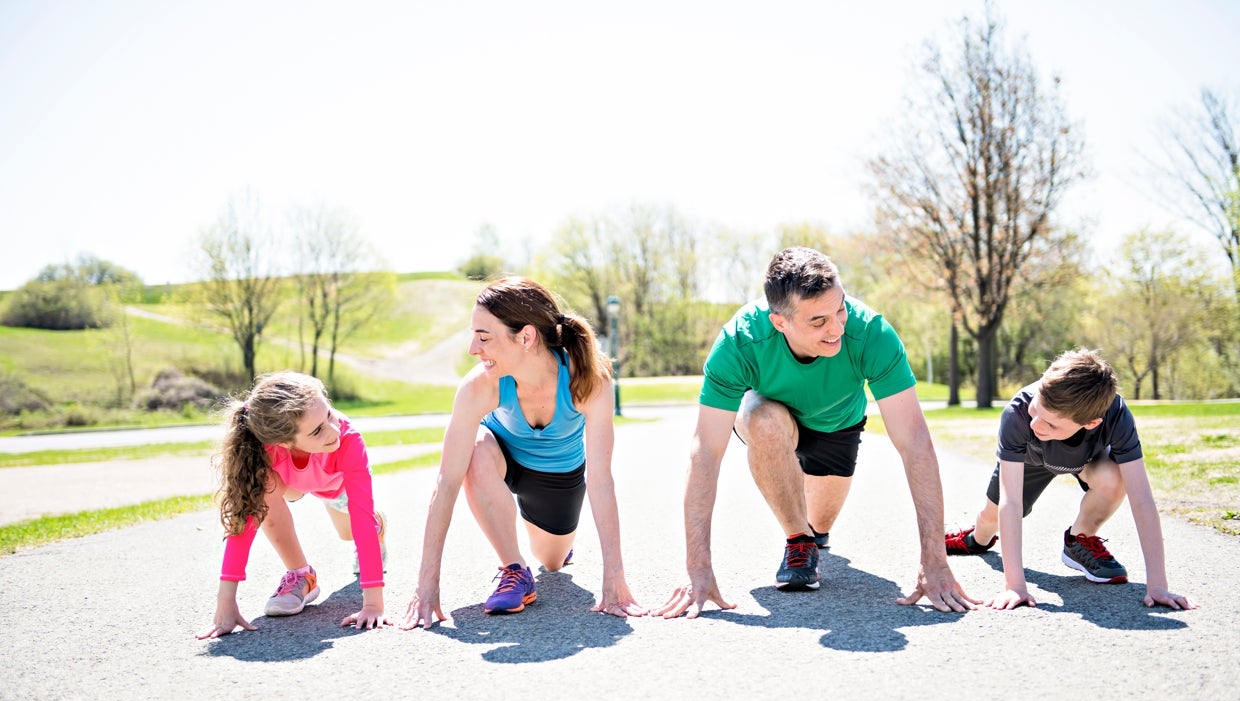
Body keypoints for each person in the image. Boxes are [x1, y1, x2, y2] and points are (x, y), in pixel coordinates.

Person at [653, 246, 976, 619]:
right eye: (818, 321)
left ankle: (812, 534)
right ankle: (798, 538)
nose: (837, 327)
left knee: (819, 528)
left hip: (837, 426)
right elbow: (705, 450)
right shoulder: (740, 341)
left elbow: (914, 441)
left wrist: (934, 560)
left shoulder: (870, 332)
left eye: (840, 309)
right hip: (773, 419)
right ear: (780, 322)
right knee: (763, 420)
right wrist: (697, 568)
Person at [401, 276, 646, 628]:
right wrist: (426, 587)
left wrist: (615, 577)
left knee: (552, 562)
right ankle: (515, 569)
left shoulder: (589, 380)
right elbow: (447, 481)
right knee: (475, 450)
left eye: (483, 337)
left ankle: (554, 548)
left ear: (526, 336)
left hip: (557, 474)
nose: (473, 348)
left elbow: (601, 478)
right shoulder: (478, 387)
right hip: (498, 458)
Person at [944, 348, 1198, 610]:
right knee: (991, 517)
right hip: (1031, 460)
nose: (1036, 425)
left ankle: (1079, 539)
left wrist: (1158, 585)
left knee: (1115, 479)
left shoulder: (1116, 415)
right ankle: (976, 539)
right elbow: (1010, 501)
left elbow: (1142, 499)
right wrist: (1015, 586)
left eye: (1051, 424)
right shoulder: (1018, 414)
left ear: (1091, 423)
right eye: (1036, 410)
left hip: (1087, 459)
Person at [196, 371, 390, 639]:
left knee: (352, 531)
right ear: (282, 442)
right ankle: (302, 575)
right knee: (261, 489)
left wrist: (372, 604)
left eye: (330, 414)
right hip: (292, 484)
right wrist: (225, 601)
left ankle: (379, 528)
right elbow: (245, 519)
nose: (334, 429)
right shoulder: (263, 449)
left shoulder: (347, 440)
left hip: (337, 487)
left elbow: (360, 514)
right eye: (317, 429)